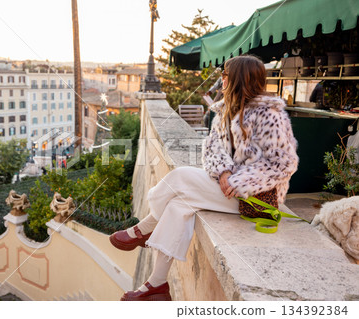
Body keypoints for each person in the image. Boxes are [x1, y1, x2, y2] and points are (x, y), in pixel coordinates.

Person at [109, 55, 299, 301]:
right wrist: (223, 171)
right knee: (178, 205)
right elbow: (212, 148)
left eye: (226, 75)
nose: (222, 79)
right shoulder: (225, 110)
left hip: (252, 199)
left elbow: (283, 163)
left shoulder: (270, 116)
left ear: (239, 79)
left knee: (179, 177)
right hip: (230, 190)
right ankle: (156, 285)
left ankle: (143, 228)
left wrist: (239, 182)